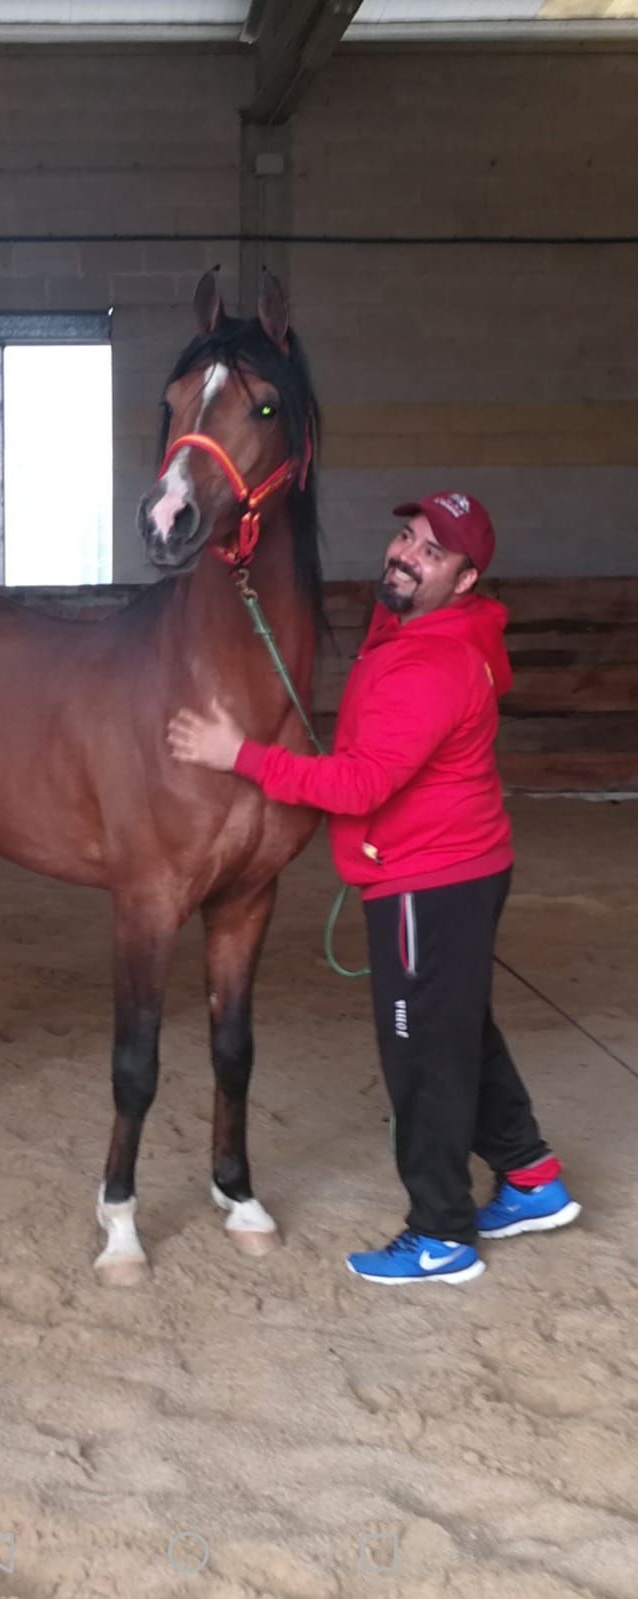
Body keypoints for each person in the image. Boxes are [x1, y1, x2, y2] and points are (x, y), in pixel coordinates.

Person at [167, 492, 581, 1285]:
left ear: (463, 580)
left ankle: (440, 1234)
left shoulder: (433, 660)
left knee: (419, 1056)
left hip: (428, 882)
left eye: (429, 552)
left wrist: (238, 753)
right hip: (456, 866)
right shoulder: (415, 627)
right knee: (456, 1030)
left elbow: (358, 785)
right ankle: (530, 1177)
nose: (403, 554)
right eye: (405, 536)